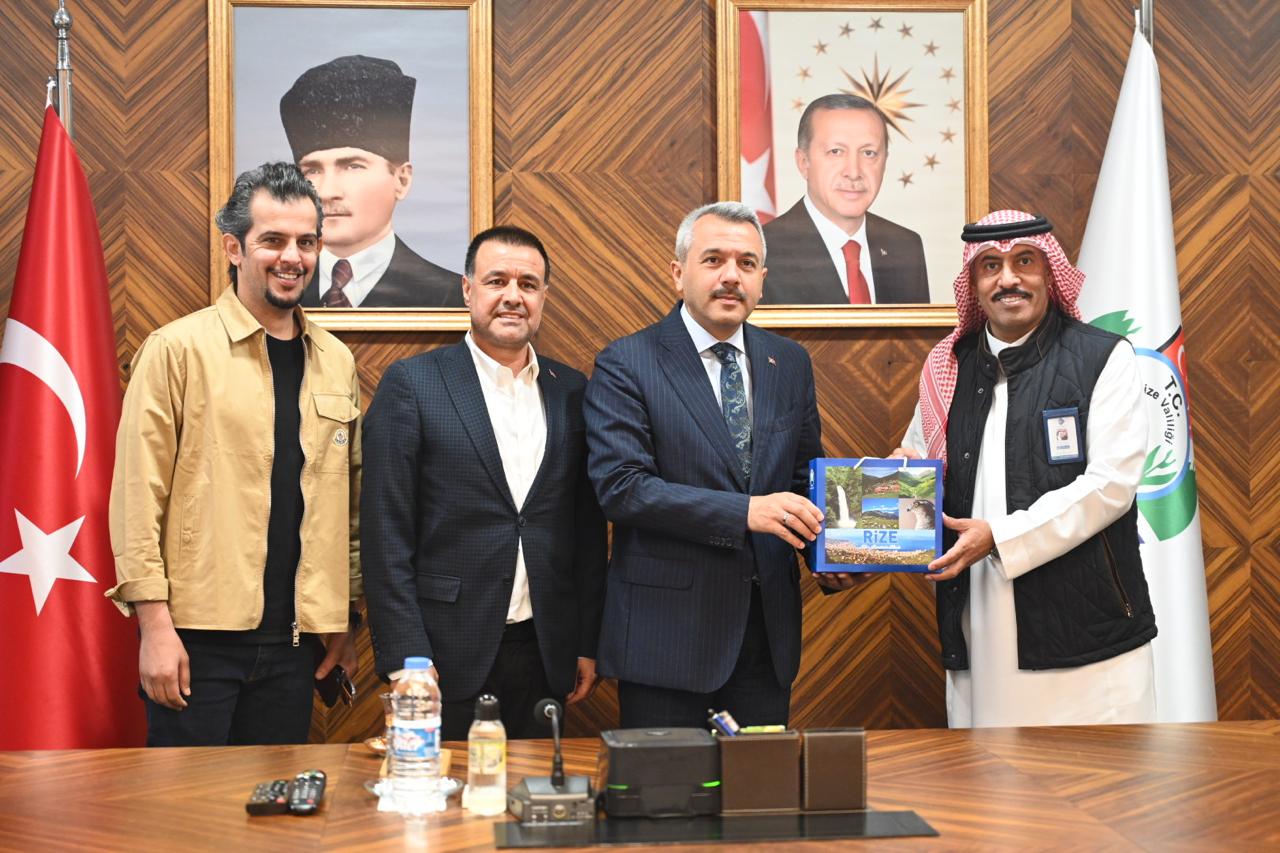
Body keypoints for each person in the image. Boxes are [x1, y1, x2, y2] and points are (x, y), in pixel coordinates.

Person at [107, 162, 363, 746]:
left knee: (274, 805)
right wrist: (154, 628)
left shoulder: (336, 361)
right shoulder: (175, 350)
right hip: (195, 643)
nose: (291, 257)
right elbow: (137, 498)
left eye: (306, 242)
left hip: (298, 646)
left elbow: (348, 505)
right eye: (272, 240)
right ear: (234, 247)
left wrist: (344, 619)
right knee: (188, 805)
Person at [585, 202, 845, 729]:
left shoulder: (788, 362)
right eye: (714, 260)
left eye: (746, 263)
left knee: (759, 782)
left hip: (765, 640)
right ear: (678, 273)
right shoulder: (626, 362)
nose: (731, 276)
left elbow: (802, 479)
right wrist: (745, 512)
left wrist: (831, 553)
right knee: (669, 783)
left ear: (762, 279)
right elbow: (623, 488)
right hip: (668, 642)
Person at [893, 209, 1158, 728]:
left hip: (1088, 632)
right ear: (974, 283)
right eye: (990, 266)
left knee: (1098, 775)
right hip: (977, 615)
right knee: (992, 776)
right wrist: (862, 534)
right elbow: (917, 469)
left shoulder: (1102, 357)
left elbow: (1111, 485)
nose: (1008, 278)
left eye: (1025, 261)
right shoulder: (949, 366)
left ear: (1049, 273)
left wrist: (1000, 537)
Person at [361, 226, 607, 740]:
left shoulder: (571, 390)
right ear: (467, 289)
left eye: (528, 284)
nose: (513, 296)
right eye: (497, 281)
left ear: (543, 297)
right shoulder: (414, 384)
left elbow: (585, 531)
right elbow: (386, 535)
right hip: (442, 657)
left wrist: (586, 641)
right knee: (446, 791)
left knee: (532, 786)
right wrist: (407, 657)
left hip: (545, 653)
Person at [280, 55, 463, 309]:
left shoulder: (450, 298)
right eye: (312, 170)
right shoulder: (276, 294)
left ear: (401, 180)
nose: (327, 192)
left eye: (352, 166)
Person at [762, 94, 929, 305]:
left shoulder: (905, 246)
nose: (854, 172)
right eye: (836, 152)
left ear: (885, 161)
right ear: (803, 162)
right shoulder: (762, 251)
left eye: (869, 153)